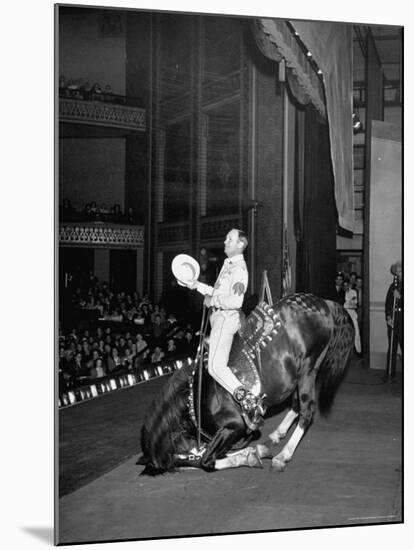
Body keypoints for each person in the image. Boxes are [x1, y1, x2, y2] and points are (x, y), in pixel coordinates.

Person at [186, 228, 265, 431]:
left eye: (230, 239)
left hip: (226, 318)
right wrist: (195, 285)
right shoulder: (228, 265)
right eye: (226, 237)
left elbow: (236, 300)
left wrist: (214, 300)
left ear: (241, 244)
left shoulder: (239, 268)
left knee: (215, 367)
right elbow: (216, 292)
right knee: (213, 365)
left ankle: (246, 400)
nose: (225, 241)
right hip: (218, 317)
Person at [383, 260, 403, 381]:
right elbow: (388, 304)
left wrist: (400, 297)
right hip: (394, 320)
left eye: (401, 271)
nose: (399, 274)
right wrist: (388, 317)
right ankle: (390, 373)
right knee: (392, 347)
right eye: (397, 272)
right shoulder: (392, 287)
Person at [343, 279, 362, 354]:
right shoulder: (342, 293)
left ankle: (358, 350)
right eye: (344, 286)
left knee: (356, 330)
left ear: (349, 285)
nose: (345, 287)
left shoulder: (353, 292)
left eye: (346, 285)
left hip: (351, 312)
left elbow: (354, 303)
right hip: (343, 313)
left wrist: (346, 304)